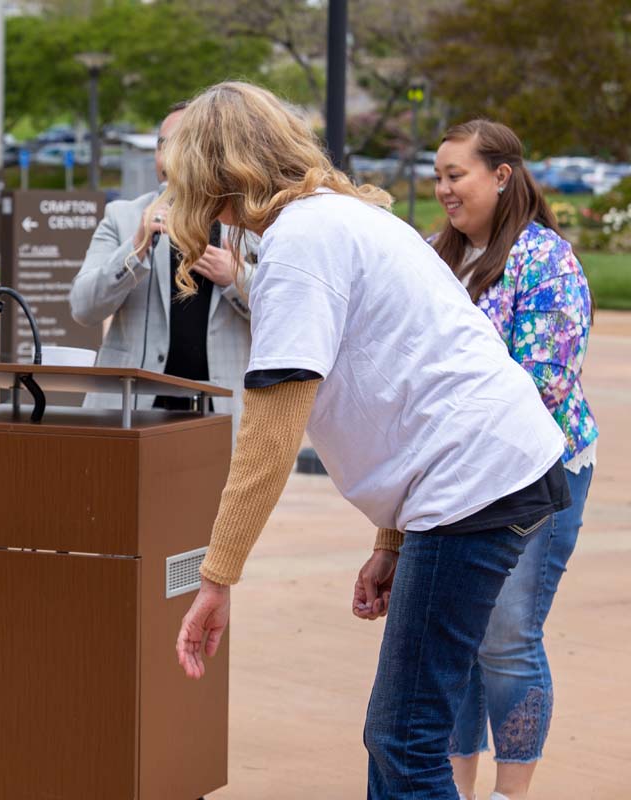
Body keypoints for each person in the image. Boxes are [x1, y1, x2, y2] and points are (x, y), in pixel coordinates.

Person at [165, 82, 570, 800]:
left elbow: (271, 434)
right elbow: (407, 383)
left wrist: (216, 579)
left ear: (214, 173)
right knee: (406, 732)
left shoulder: (300, 247)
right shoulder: (346, 220)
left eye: (178, 172)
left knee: (404, 738)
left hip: (472, 485)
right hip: (481, 476)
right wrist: (391, 538)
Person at [411, 119, 592, 800]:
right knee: (457, 637)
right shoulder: (434, 255)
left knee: (507, 636)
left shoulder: (547, 259)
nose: (443, 189)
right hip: (452, 474)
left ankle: (511, 794)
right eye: (438, 176)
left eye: (455, 174)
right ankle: (455, 786)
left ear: (501, 175)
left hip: (537, 472)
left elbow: (544, 378)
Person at [69, 100, 255, 426]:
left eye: (183, 145)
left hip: (221, 411)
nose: (168, 157)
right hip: (130, 410)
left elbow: (289, 310)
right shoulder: (124, 218)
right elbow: (84, 308)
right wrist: (136, 248)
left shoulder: (248, 224)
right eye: (161, 145)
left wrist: (235, 278)